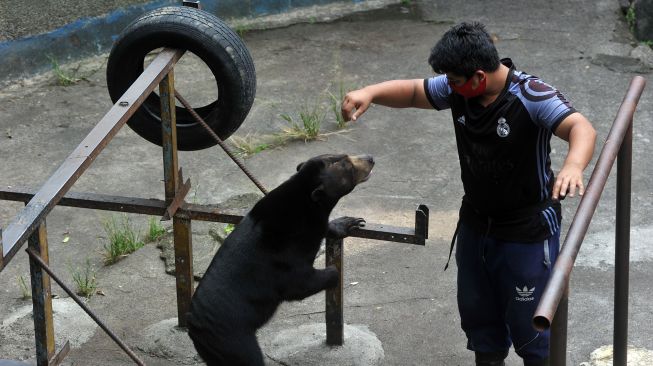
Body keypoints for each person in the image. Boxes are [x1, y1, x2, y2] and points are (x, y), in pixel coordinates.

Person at [340, 22, 596, 366]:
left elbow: (581, 127)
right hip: (477, 225)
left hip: (526, 232)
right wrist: (369, 92)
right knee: (481, 320)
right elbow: (416, 92)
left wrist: (573, 166)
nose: (449, 86)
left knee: (532, 326)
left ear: (478, 76)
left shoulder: (532, 95)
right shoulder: (459, 87)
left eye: (455, 81)